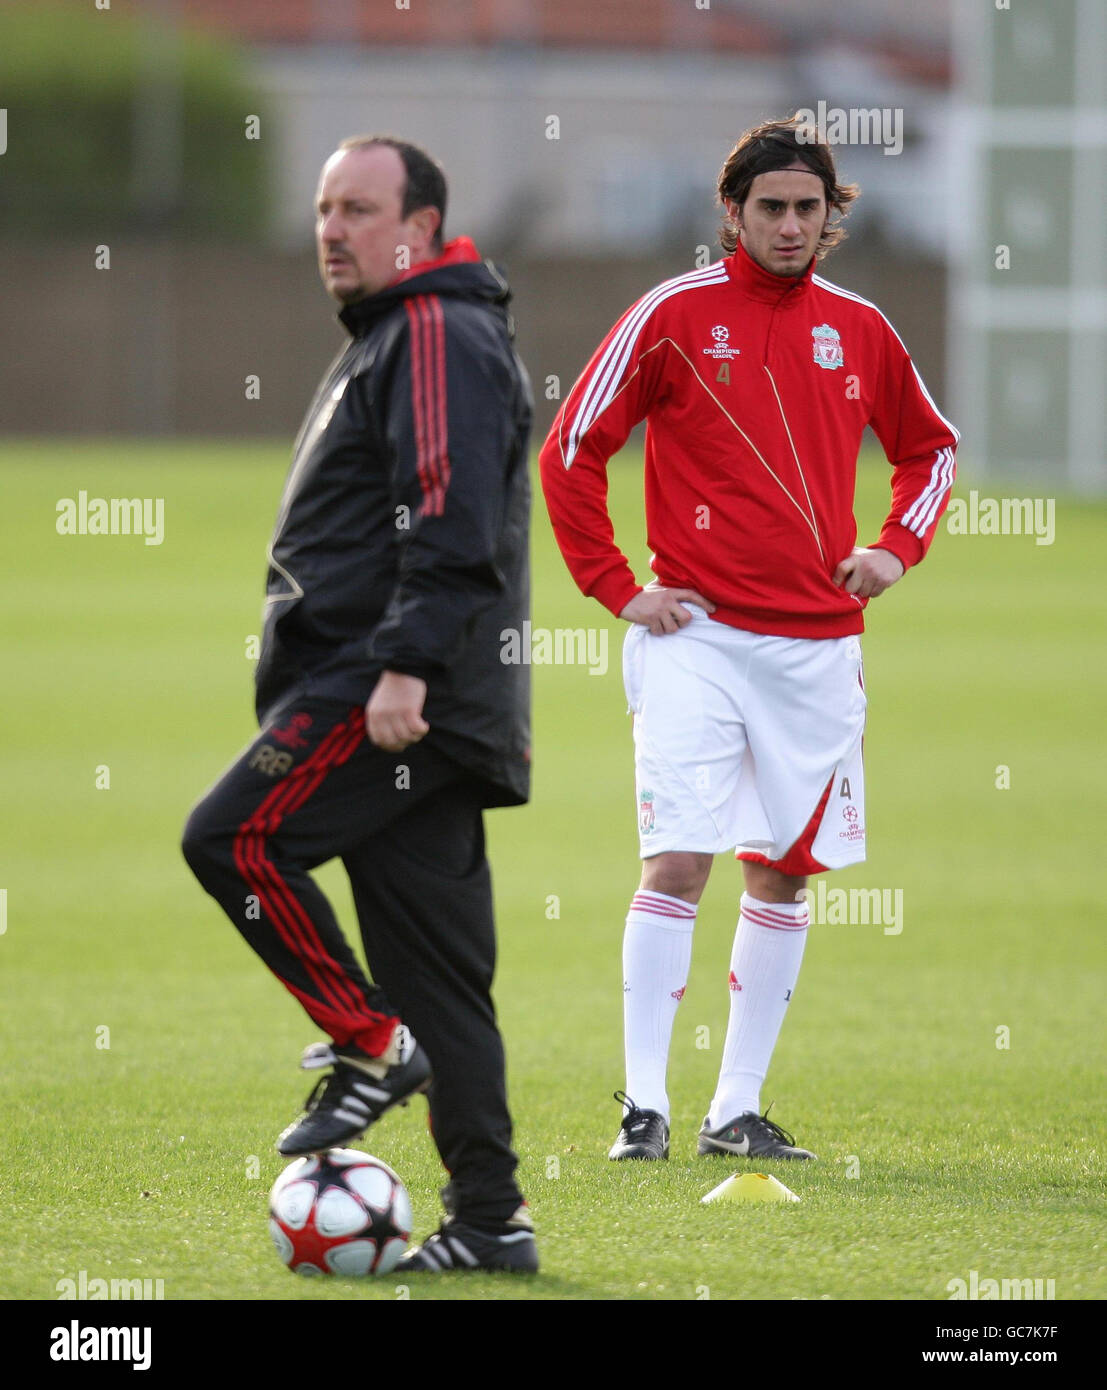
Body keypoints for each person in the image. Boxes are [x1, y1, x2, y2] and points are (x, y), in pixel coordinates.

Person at [539, 114, 957, 1163]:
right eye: (769, 207)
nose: (788, 225)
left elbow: (931, 452)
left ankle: (735, 1108)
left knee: (780, 873)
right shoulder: (674, 313)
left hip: (819, 652)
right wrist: (615, 586)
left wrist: (897, 548)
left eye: (807, 208)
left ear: (831, 218)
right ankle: (643, 1108)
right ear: (732, 212)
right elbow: (572, 447)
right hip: (698, 638)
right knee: (677, 861)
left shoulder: (861, 328)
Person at [182, 135, 537, 1272]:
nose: (332, 228)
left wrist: (403, 668)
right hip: (414, 703)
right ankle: (492, 1222)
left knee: (232, 836)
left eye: (359, 208)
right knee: (446, 982)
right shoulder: (402, 332)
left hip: (388, 693)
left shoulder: (433, 328)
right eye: (324, 207)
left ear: (421, 228)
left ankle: (368, 1041)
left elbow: (450, 517)